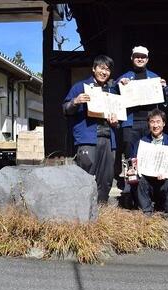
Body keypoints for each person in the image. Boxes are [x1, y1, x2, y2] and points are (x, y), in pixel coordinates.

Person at [62, 54, 118, 203]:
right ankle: (82, 211)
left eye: (108, 69)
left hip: (108, 139)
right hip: (88, 138)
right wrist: (76, 101)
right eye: (101, 68)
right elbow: (65, 109)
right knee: (85, 175)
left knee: (106, 179)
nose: (104, 72)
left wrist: (115, 121)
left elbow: (117, 117)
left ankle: (101, 212)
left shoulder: (112, 91)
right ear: (94, 69)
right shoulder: (81, 87)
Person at [115, 46, 168, 165]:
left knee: (151, 149)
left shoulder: (154, 77)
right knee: (129, 149)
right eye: (137, 56)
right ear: (132, 58)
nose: (140, 59)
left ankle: (149, 179)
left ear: (147, 59)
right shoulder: (124, 77)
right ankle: (130, 178)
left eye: (143, 57)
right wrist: (119, 85)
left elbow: (165, 101)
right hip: (130, 122)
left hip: (149, 121)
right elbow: (113, 93)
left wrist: (164, 87)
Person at [129, 109, 168, 215]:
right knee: (139, 181)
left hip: (164, 183)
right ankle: (146, 210)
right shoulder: (141, 142)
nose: (155, 125)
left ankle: (166, 210)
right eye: (152, 122)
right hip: (148, 182)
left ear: (164, 123)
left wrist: (167, 174)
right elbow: (133, 163)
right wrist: (132, 170)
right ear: (148, 124)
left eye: (158, 122)